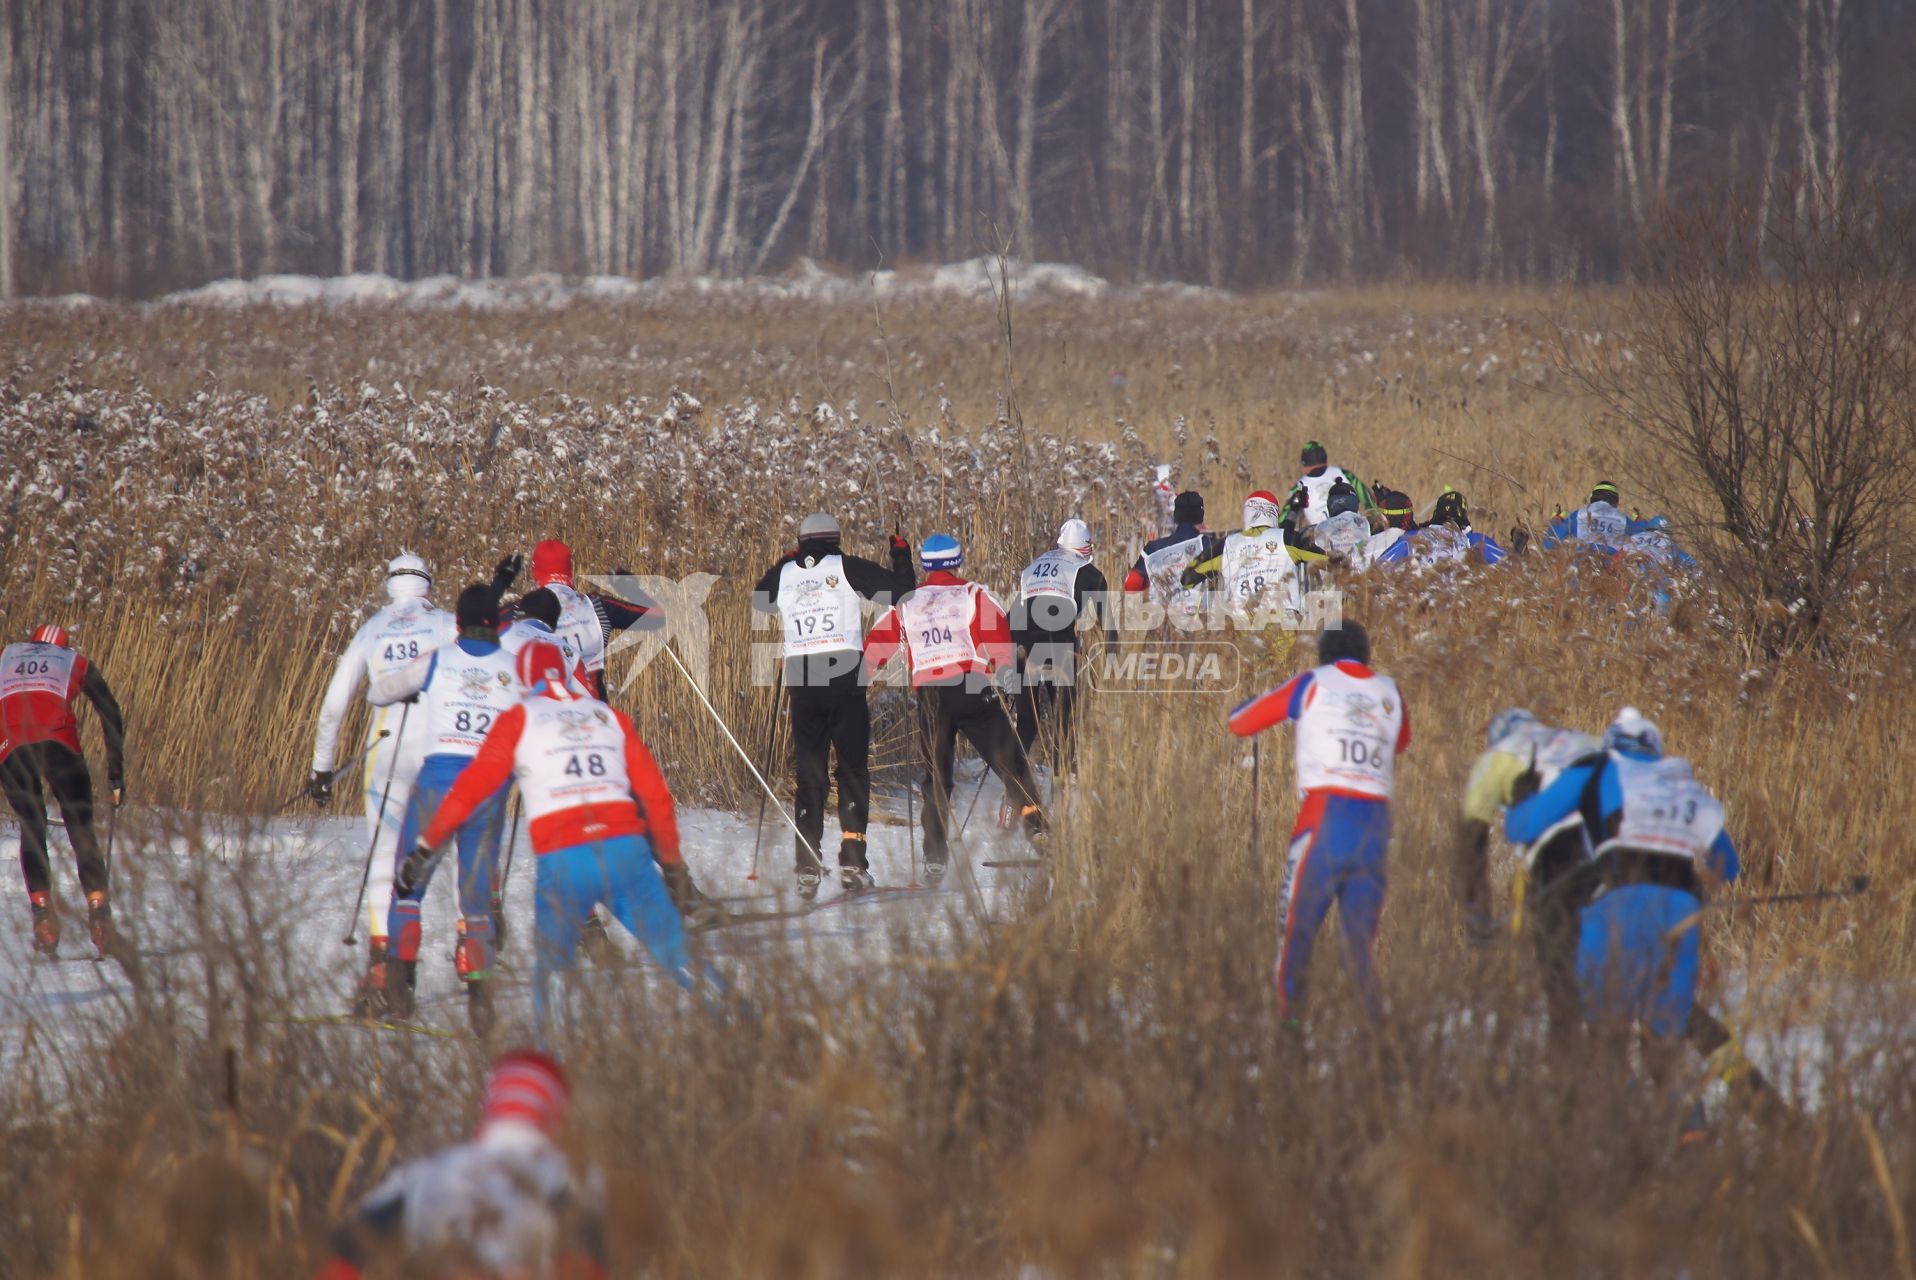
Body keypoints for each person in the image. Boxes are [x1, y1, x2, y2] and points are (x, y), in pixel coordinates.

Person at [402, 642, 709, 1037]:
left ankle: (551, 1048)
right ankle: (735, 1014)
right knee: (671, 948)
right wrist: (672, 865)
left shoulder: (520, 719)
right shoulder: (607, 715)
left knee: (550, 966)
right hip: (623, 847)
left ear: (524, 677)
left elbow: (469, 793)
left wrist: (426, 846)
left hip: (565, 855)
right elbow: (655, 797)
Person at [1503, 708, 1741, 1052]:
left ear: (1612, 743)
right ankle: (1700, 1101)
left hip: (1618, 905)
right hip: (1681, 911)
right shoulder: (1681, 781)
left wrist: (1521, 795)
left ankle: (1613, 1101)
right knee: (1666, 1044)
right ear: (1655, 749)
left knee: (1606, 1035)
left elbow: (1521, 826)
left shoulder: (1599, 768)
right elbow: (1728, 866)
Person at [1227, 622, 1409, 1028]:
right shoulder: (1390, 691)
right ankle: (1382, 1050)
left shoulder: (1313, 682)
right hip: (1377, 825)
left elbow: (1241, 723)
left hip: (1326, 817)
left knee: (1296, 934)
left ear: (1325, 653)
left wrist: (1249, 704)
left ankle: (1291, 1039)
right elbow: (1401, 741)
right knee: (1358, 950)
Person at [364, 585, 527, 1031]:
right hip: (487, 790)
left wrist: (413, 693)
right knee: (474, 898)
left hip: (437, 785)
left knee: (408, 885)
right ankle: (480, 1003)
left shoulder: (437, 659)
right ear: (495, 623)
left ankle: (400, 990)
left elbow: (378, 692)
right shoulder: (516, 670)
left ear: (458, 623)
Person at [314, 1048, 608, 1280]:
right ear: (556, 1114)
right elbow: (590, 1259)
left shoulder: (431, 1169)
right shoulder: (563, 1173)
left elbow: (351, 1245)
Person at [750, 512, 914, 898]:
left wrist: (786, 561)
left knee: (811, 774)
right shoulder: (845, 567)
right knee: (852, 769)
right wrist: (900, 553)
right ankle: (853, 862)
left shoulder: (785, 573)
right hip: (844, 678)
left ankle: (807, 864)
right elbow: (902, 592)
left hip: (803, 681)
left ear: (802, 541)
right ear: (835, 540)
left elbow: (761, 599)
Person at [865, 534, 1046, 883]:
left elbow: (879, 642)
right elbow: (996, 635)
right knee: (1010, 762)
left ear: (925, 565)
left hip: (931, 696)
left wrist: (860, 675)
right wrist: (1006, 671)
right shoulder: (973, 595)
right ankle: (1037, 828)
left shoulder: (905, 602)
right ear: (957, 562)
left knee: (937, 774)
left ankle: (934, 855)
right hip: (972, 687)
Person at [1455, 707, 1602, 1044]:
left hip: (1559, 861)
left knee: (1561, 980)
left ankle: (1566, 1077)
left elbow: (1471, 832)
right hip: (1615, 856)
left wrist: (1475, 908)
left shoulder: (1501, 753)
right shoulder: (1581, 740)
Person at [0, 624, 126, 958]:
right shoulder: (73, 660)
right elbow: (110, 712)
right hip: (59, 743)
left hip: (11, 746)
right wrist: (115, 775)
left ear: (33, 641)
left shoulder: (6, 655)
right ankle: (100, 918)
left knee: (32, 825)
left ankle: (43, 919)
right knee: (80, 828)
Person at [1012, 518, 1114, 766]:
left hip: (1021, 644)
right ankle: (1062, 774)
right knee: (1064, 715)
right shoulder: (1090, 574)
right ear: (1086, 547)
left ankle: (1011, 776)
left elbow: (1014, 614)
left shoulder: (1034, 567)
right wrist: (1113, 658)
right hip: (1057, 643)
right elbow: (1108, 625)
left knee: (1027, 721)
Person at [519, 540, 654, 701]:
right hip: (594, 715)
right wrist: (630, 589)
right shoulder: (597, 606)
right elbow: (656, 617)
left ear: (535, 571)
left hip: (542, 715)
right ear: (570, 568)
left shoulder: (518, 611)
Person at [1183, 490, 1326, 625]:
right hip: (1282, 619)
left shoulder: (1225, 545)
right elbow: (1330, 560)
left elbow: (1187, 579)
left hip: (1239, 623)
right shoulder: (1288, 539)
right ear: (1273, 514)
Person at [1123, 490, 1223, 626]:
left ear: (1176, 516)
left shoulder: (1152, 549)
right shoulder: (1210, 545)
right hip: (1199, 626)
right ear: (1201, 515)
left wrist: (1154, 581)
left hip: (1161, 626)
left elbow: (1131, 585)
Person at [1373, 486, 1509, 568]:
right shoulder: (1473, 541)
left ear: (1436, 513)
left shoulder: (1412, 539)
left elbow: (1379, 569)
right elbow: (1513, 565)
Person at [1285, 441, 1376, 529]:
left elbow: (1284, 520)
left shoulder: (1299, 487)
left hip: (1321, 540)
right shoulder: (1344, 474)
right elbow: (1369, 501)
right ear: (1325, 458)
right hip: (1355, 535)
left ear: (1304, 464)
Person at [1543, 481, 1632, 551]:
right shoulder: (1624, 520)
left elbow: (1549, 544)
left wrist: (1556, 521)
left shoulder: (1578, 515)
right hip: (1614, 571)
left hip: (1583, 567)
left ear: (1592, 497)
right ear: (1616, 501)